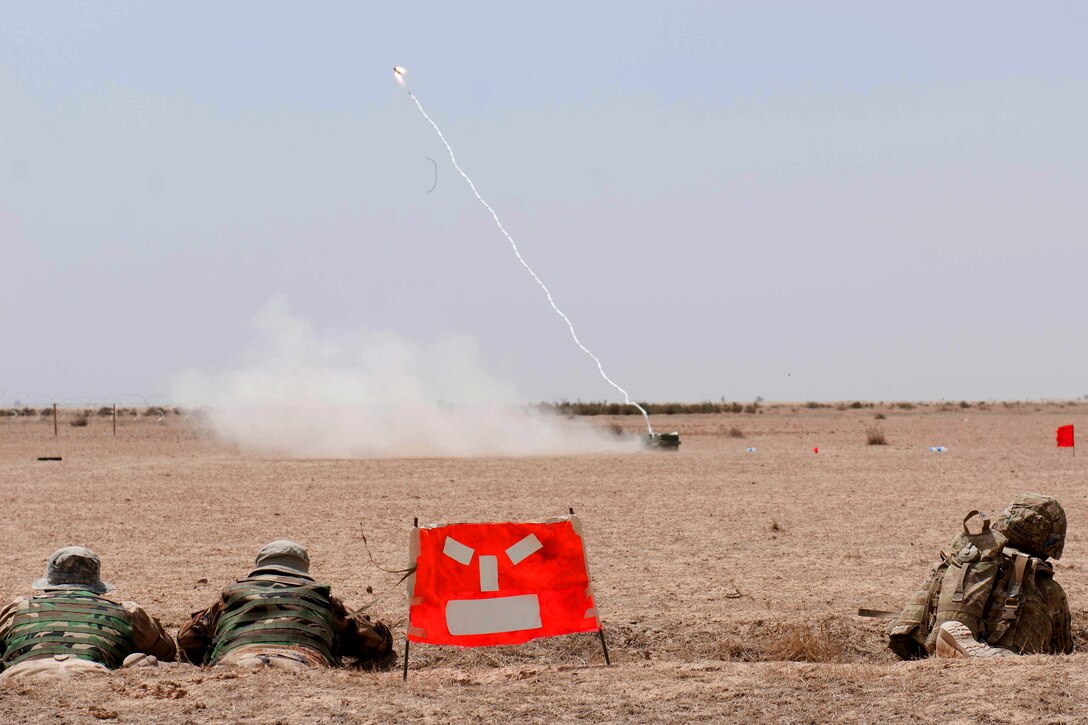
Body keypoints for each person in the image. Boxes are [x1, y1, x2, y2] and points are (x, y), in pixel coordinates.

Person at [887, 493, 1072, 659]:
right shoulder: (1044, 583)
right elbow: (1063, 649)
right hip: (1003, 655)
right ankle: (976, 651)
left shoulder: (964, 556)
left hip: (922, 644)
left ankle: (954, 643)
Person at [178, 540, 392, 670]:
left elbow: (186, 640)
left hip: (235, 662)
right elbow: (376, 643)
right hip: (305, 665)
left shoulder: (232, 594)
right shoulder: (321, 598)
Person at [0, 547, 176, 678]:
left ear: (49, 583)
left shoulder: (18, 608)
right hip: (92, 673)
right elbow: (167, 651)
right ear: (95, 583)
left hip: (21, 673)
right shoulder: (127, 612)